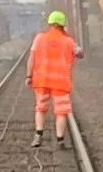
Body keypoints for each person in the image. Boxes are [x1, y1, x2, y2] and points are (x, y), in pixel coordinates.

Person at [26, 10, 78, 145]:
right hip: (60, 82)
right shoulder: (68, 41)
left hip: (41, 80)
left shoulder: (39, 38)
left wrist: (29, 76)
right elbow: (80, 52)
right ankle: (60, 140)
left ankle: (38, 135)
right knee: (61, 112)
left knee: (40, 108)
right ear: (62, 25)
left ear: (49, 24)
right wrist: (68, 37)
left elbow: (31, 58)